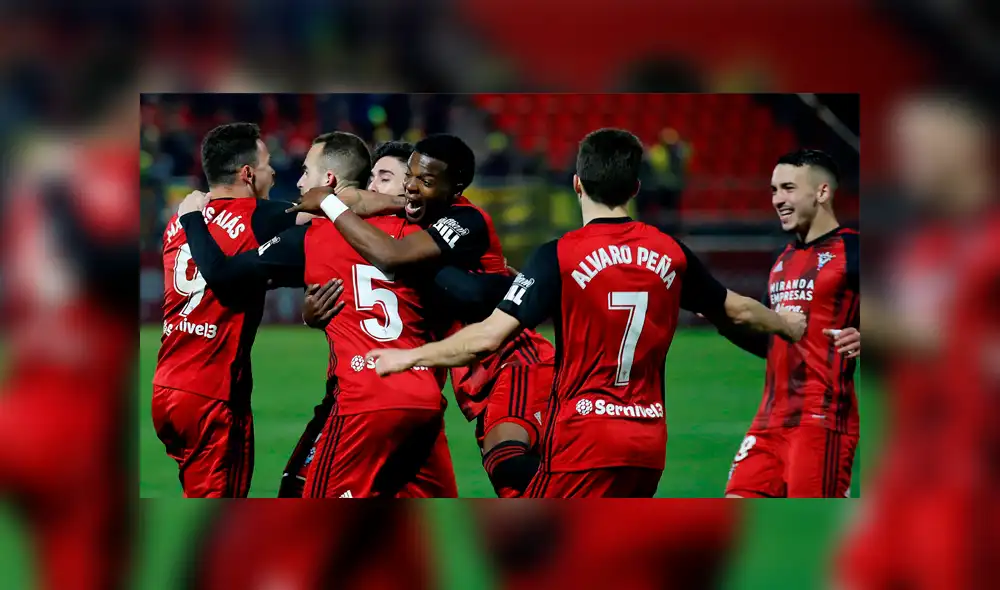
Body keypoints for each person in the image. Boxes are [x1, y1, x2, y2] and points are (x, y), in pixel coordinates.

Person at [368, 128, 806, 498]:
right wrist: (793, 327)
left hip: (584, 440)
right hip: (648, 446)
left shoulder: (560, 256)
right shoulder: (670, 252)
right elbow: (738, 311)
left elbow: (486, 337)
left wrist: (404, 359)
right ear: (635, 188)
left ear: (576, 183)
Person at [179, 135, 459, 498]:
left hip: (364, 397)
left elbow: (222, 276)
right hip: (423, 401)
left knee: (301, 499)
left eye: (385, 177)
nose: (372, 184)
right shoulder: (422, 238)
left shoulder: (317, 237)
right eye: (371, 176)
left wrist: (190, 218)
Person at [290, 134, 556, 498]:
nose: (412, 189)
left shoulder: (461, 220)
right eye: (410, 178)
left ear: (455, 186)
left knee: (508, 463)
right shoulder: (412, 217)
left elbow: (399, 261)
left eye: (422, 181)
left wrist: (332, 206)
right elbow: (361, 201)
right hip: (450, 382)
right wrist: (313, 312)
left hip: (510, 360)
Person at [151, 122, 305, 497]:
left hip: (167, 386)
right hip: (212, 393)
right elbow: (321, 217)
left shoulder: (179, 220)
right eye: (267, 163)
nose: (273, 171)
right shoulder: (260, 215)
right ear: (248, 173)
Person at [718, 149, 860, 499]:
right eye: (773, 190)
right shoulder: (782, 260)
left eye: (788, 188)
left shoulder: (855, 250)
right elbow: (772, 344)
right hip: (768, 423)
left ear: (822, 192)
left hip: (820, 421)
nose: (778, 199)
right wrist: (725, 322)